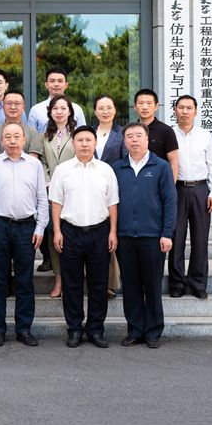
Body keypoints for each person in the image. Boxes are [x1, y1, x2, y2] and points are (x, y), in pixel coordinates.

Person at [0, 122, 49, 347]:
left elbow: (42, 199)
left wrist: (40, 227)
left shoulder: (34, 165)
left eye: (16, 136)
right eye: (7, 137)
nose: (12, 141)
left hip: (26, 228)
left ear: (24, 140)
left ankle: (23, 329)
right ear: (1, 141)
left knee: (24, 281)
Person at [49, 126, 119, 348]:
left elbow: (113, 203)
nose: (85, 144)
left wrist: (113, 231)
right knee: (72, 284)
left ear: (95, 143)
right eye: (80, 140)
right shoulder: (63, 170)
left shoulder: (106, 170)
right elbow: (56, 202)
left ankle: (96, 329)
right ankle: (74, 329)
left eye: (89, 140)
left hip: (100, 232)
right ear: (73, 143)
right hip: (70, 232)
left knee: (99, 283)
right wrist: (57, 230)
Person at [112, 122, 177, 349]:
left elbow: (170, 202)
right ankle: (135, 330)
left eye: (138, 135)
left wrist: (167, 233)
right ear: (124, 141)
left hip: (153, 237)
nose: (134, 140)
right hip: (125, 236)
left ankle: (153, 331)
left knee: (152, 286)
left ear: (147, 139)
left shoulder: (161, 167)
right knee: (130, 287)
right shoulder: (117, 168)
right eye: (129, 136)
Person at [170, 95, 212, 299]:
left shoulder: (205, 135)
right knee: (176, 238)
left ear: (196, 111)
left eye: (189, 108)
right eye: (181, 107)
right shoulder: (169, 134)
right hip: (177, 190)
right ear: (175, 110)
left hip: (200, 190)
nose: (185, 111)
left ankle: (198, 283)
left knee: (200, 239)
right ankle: (177, 283)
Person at [33, 95, 77, 298]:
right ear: (50, 112)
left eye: (63, 108)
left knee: (73, 235)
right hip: (51, 191)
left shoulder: (78, 134)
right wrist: (48, 180)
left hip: (75, 190)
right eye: (55, 108)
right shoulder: (44, 136)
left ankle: (73, 280)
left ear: (70, 112)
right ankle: (58, 279)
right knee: (53, 236)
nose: (59, 112)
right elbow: (41, 162)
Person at [92, 94, 127, 299]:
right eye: (101, 108)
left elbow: (125, 162)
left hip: (114, 189)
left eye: (109, 107)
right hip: (91, 190)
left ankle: (111, 283)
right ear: (95, 111)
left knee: (111, 237)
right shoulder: (89, 132)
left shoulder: (122, 133)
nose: (105, 111)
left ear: (115, 110)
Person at [134, 88, 179, 182]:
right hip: (135, 181)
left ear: (156, 106)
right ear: (135, 106)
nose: (145, 107)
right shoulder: (131, 130)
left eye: (149, 103)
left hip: (159, 182)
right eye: (141, 103)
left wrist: (170, 186)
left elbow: (174, 163)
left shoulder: (166, 130)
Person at [27, 67, 86, 132]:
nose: (56, 84)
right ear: (46, 84)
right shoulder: (36, 110)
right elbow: (30, 136)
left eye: (60, 81)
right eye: (52, 81)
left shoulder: (76, 109)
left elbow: (83, 133)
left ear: (66, 85)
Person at [0, 90, 40, 156]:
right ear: (3, 106)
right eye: (9, 103)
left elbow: (33, 159)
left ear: (23, 107)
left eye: (17, 103)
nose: (13, 107)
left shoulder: (32, 132)